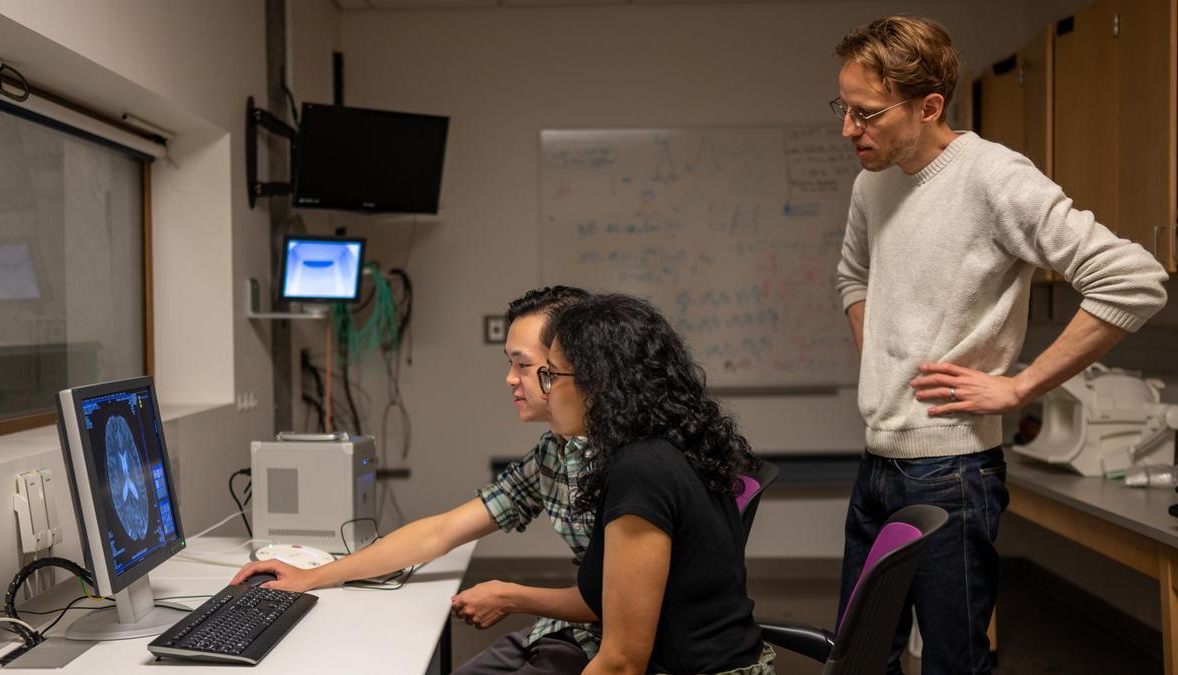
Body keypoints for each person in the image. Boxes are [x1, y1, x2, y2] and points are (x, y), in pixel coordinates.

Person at [831, 15, 1168, 674]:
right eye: (842, 107)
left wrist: (1019, 387)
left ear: (930, 107)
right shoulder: (872, 181)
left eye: (865, 113)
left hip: (951, 472)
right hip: (877, 463)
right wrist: (882, 359)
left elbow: (1134, 279)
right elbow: (853, 274)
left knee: (954, 662)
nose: (848, 128)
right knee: (859, 658)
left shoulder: (993, 178)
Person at [232, 286, 600, 675]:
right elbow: (440, 531)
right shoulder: (553, 453)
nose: (510, 379)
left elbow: (617, 603)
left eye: (522, 365)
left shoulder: (630, 464)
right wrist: (312, 577)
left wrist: (511, 596)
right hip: (571, 631)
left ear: (565, 365)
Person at [541, 293, 775, 675]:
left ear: (597, 383)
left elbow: (621, 663)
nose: (545, 389)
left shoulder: (641, 471)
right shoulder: (674, 446)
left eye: (551, 374)